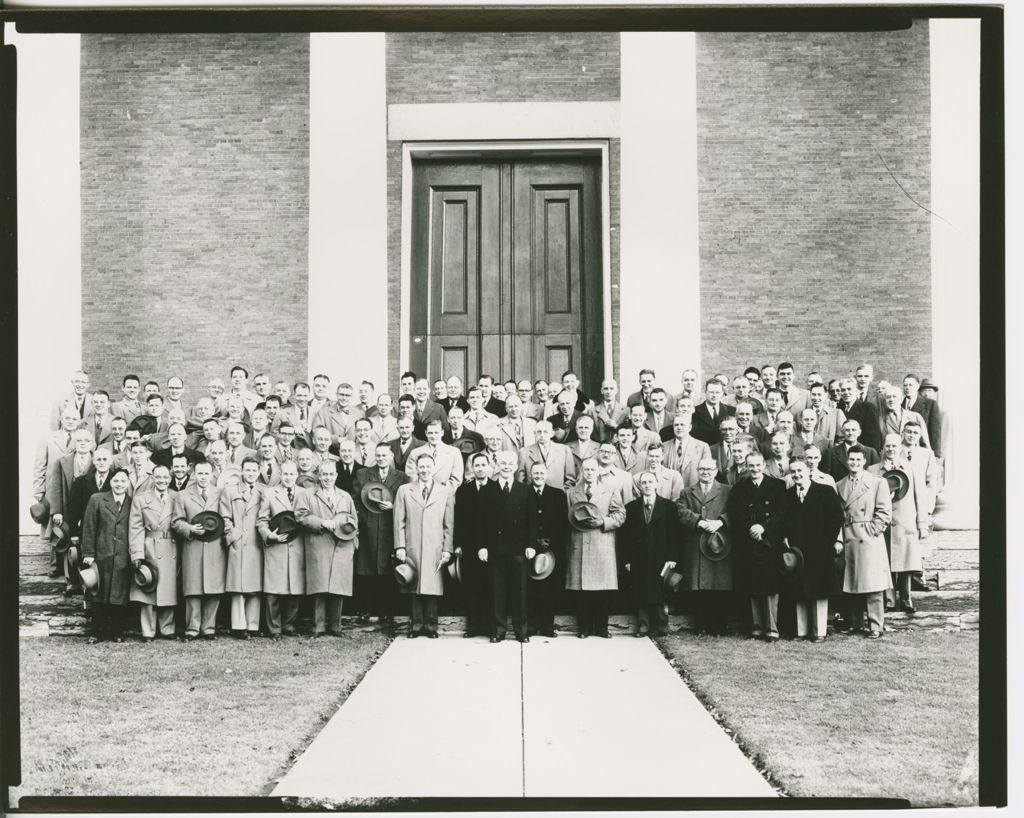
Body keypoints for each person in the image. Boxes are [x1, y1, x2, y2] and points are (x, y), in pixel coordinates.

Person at [781, 460, 844, 642]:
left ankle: (819, 632)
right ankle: (801, 631)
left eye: (800, 470)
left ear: (809, 471)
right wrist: (785, 536)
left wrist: (827, 541)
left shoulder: (825, 491)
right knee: (799, 590)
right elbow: (783, 519)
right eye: (793, 472)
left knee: (819, 590)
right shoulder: (788, 495)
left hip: (820, 551)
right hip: (798, 551)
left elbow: (837, 517)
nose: (797, 475)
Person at [394, 453, 456, 638]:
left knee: (432, 588)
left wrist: (447, 549)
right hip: (412, 546)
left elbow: (449, 524)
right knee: (413, 585)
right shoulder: (404, 490)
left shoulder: (445, 491)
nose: (425, 470)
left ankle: (431, 626)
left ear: (434, 468)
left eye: (428, 467)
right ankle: (415, 625)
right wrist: (400, 547)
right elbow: (399, 521)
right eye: (422, 467)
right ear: (417, 468)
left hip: (435, 547)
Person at [727, 452, 787, 641]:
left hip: (769, 542)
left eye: (758, 465)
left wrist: (764, 527)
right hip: (748, 541)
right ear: (746, 466)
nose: (754, 469)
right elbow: (735, 513)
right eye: (751, 466)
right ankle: (756, 626)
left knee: (770, 585)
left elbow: (781, 513)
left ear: (764, 466)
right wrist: (751, 527)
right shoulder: (739, 488)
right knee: (751, 584)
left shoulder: (778, 486)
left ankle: (772, 628)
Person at [565, 457, 626, 638]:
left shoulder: (610, 490)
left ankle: (602, 628)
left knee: (602, 591)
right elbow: (567, 518)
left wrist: (603, 521)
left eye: (593, 469)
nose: (589, 473)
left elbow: (621, 514)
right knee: (582, 592)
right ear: (582, 471)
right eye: (586, 470)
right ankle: (584, 628)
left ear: (599, 471)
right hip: (579, 544)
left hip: (602, 544)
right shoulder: (572, 492)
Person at [296, 460, 359, 637]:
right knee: (319, 587)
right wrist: (322, 522)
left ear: (336, 476)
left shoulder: (345, 496)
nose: (328, 478)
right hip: (319, 543)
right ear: (319, 475)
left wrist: (352, 539)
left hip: (342, 546)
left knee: (339, 587)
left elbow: (354, 520)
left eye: (331, 474)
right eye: (324, 474)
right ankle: (318, 626)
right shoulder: (308, 494)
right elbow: (300, 516)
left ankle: (336, 626)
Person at [869, 433, 930, 613]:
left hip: (905, 521)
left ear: (900, 448)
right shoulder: (873, 470)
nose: (891, 449)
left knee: (906, 562)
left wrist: (922, 523)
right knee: (884, 561)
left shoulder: (910, 468)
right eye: (888, 446)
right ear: (883, 448)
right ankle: (889, 601)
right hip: (883, 522)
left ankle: (906, 599)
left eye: (894, 446)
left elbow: (920, 495)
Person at [836, 446, 893, 638]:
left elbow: (884, 511)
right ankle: (855, 623)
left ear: (864, 461)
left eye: (858, 460)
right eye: (851, 459)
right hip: (849, 536)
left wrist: (873, 530)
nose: (854, 463)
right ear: (847, 461)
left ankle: (876, 625)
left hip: (869, 538)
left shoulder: (877, 482)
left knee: (873, 584)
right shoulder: (840, 485)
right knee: (852, 582)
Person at [480, 451, 536, 643]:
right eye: (503, 463)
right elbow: (481, 521)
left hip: (518, 549)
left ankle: (521, 631)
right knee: (497, 591)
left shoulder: (525, 490)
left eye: (510, 463)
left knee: (519, 591)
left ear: (515, 466)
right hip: (495, 549)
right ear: (497, 464)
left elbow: (532, 521)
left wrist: (531, 545)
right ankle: (498, 630)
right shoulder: (488, 489)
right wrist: (482, 546)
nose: (506, 466)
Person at [351, 443, 409, 627]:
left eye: (385, 455)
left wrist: (394, 508)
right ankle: (365, 610)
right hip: (368, 529)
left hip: (389, 530)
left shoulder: (401, 477)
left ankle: (386, 612)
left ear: (391, 456)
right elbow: (354, 500)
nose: (381, 458)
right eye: (378, 455)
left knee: (386, 572)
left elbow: (405, 503)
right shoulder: (363, 474)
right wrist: (363, 519)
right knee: (365, 570)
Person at [676, 459, 733, 635]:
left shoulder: (727, 490)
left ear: (716, 471)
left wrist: (721, 522)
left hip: (719, 544)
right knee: (699, 587)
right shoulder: (687, 491)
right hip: (696, 543)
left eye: (709, 469)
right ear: (698, 471)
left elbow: (736, 511)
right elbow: (680, 511)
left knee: (719, 585)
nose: (706, 472)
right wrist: (698, 521)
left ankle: (719, 626)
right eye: (702, 469)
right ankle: (701, 625)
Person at [171, 461, 227, 640]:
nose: (203, 477)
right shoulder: (183, 495)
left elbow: (227, 518)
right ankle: (192, 629)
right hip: (193, 547)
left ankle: (209, 628)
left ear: (212, 474)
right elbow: (176, 522)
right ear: (194, 474)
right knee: (193, 589)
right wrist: (189, 528)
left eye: (206, 473)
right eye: (200, 473)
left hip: (215, 548)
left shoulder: (221, 494)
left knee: (214, 588)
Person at [621, 471, 680, 637]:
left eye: (650, 482)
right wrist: (627, 559)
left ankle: (661, 626)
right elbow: (625, 537)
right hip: (639, 556)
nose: (647, 485)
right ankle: (643, 626)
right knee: (641, 590)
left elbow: (674, 534)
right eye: (644, 482)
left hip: (661, 556)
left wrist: (672, 557)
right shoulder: (631, 508)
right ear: (640, 486)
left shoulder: (668, 506)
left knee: (660, 591)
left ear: (656, 484)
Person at [81, 468, 133, 643]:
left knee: (119, 596)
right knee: (99, 595)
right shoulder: (97, 499)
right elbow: (88, 527)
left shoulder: (132, 502)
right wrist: (88, 553)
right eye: (116, 481)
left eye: (123, 481)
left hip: (122, 557)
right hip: (102, 555)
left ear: (128, 483)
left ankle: (117, 632)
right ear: (110, 482)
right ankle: (96, 632)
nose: (119, 484)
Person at [128, 464, 179, 642]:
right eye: (158, 477)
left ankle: (167, 628)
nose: (162, 480)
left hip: (171, 546)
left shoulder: (177, 497)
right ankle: (147, 630)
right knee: (148, 587)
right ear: (152, 478)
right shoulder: (141, 499)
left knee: (168, 588)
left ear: (170, 479)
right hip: (149, 545)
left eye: (165, 477)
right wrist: (137, 554)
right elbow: (135, 528)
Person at [256, 459, 306, 638]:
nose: (288, 477)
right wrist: (270, 535)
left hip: (298, 547)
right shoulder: (269, 493)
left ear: (297, 475)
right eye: (285, 474)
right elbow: (261, 520)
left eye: (292, 474)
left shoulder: (305, 493)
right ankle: (274, 628)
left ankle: (289, 625)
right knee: (273, 591)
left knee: (295, 589)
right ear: (280, 474)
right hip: (276, 546)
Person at [219, 458, 265, 638]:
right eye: (248, 470)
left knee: (254, 585)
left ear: (259, 471)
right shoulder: (230, 491)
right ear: (242, 471)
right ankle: (239, 626)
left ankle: (253, 624)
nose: (251, 473)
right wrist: (233, 535)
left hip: (255, 542)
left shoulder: (264, 491)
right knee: (238, 586)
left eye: (254, 470)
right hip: (238, 542)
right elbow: (224, 517)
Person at [525, 461, 569, 638]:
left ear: (547, 474)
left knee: (550, 589)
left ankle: (547, 626)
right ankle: (531, 625)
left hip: (552, 549)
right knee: (530, 588)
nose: (538, 476)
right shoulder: (523, 492)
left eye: (541, 473)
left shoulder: (557, 494)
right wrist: (534, 542)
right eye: (535, 473)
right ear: (531, 474)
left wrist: (549, 542)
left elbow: (562, 522)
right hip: (529, 548)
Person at [455, 453, 495, 638]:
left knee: (490, 586)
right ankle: (473, 626)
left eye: (483, 464)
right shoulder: (464, 490)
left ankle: (489, 626)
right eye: (476, 465)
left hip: (492, 546)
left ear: (489, 466)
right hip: (469, 545)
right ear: (472, 468)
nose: (479, 468)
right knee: (471, 586)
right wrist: (458, 544)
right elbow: (459, 519)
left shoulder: (496, 488)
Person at [518, 420, 577, 489]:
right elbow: (520, 480)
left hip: (557, 495)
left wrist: (562, 492)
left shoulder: (564, 450)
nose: (542, 435)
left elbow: (571, 479)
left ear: (552, 433)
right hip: (532, 495)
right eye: (539, 432)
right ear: (534, 433)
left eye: (545, 432)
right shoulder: (524, 451)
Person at [406, 419, 464, 488]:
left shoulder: (454, 452)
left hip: (445, 495)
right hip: (422, 495)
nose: (433, 436)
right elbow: (412, 477)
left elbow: (456, 479)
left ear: (442, 433)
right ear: (426, 433)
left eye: (436, 432)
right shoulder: (415, 453)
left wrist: (441, 492)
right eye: (430, 433)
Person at [662, 415, 712, 487]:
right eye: (676, 425)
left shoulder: (702, 447)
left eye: (682, 425)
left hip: (693, 492)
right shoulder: (664, 446)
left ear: (689, 427)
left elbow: (707, 473)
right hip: (670, 492)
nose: (679, 427)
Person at [902, 374, 942, 458]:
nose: (907, 387)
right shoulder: (899, 405)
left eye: (910, 385)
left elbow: (935, 432)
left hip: (922, 450)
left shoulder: (930, 404)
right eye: (905, 385)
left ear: (917, 387)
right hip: (903, 451)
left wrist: (936, 455)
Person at [691, 379, 735, 446]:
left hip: (723, 452)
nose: (714, 395)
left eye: (717, 392)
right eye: (711, 392)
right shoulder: (694, 412)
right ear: (706, 392)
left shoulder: (731, 411)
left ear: (722, 393)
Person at [594, 378, 629, 443]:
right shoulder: (592, 411)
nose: (608, 392)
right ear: (601, 391)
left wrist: (616, 426)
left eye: (611, 388)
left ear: (616, 390)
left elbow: (629, 432)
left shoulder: (626, 411)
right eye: (606, 388)